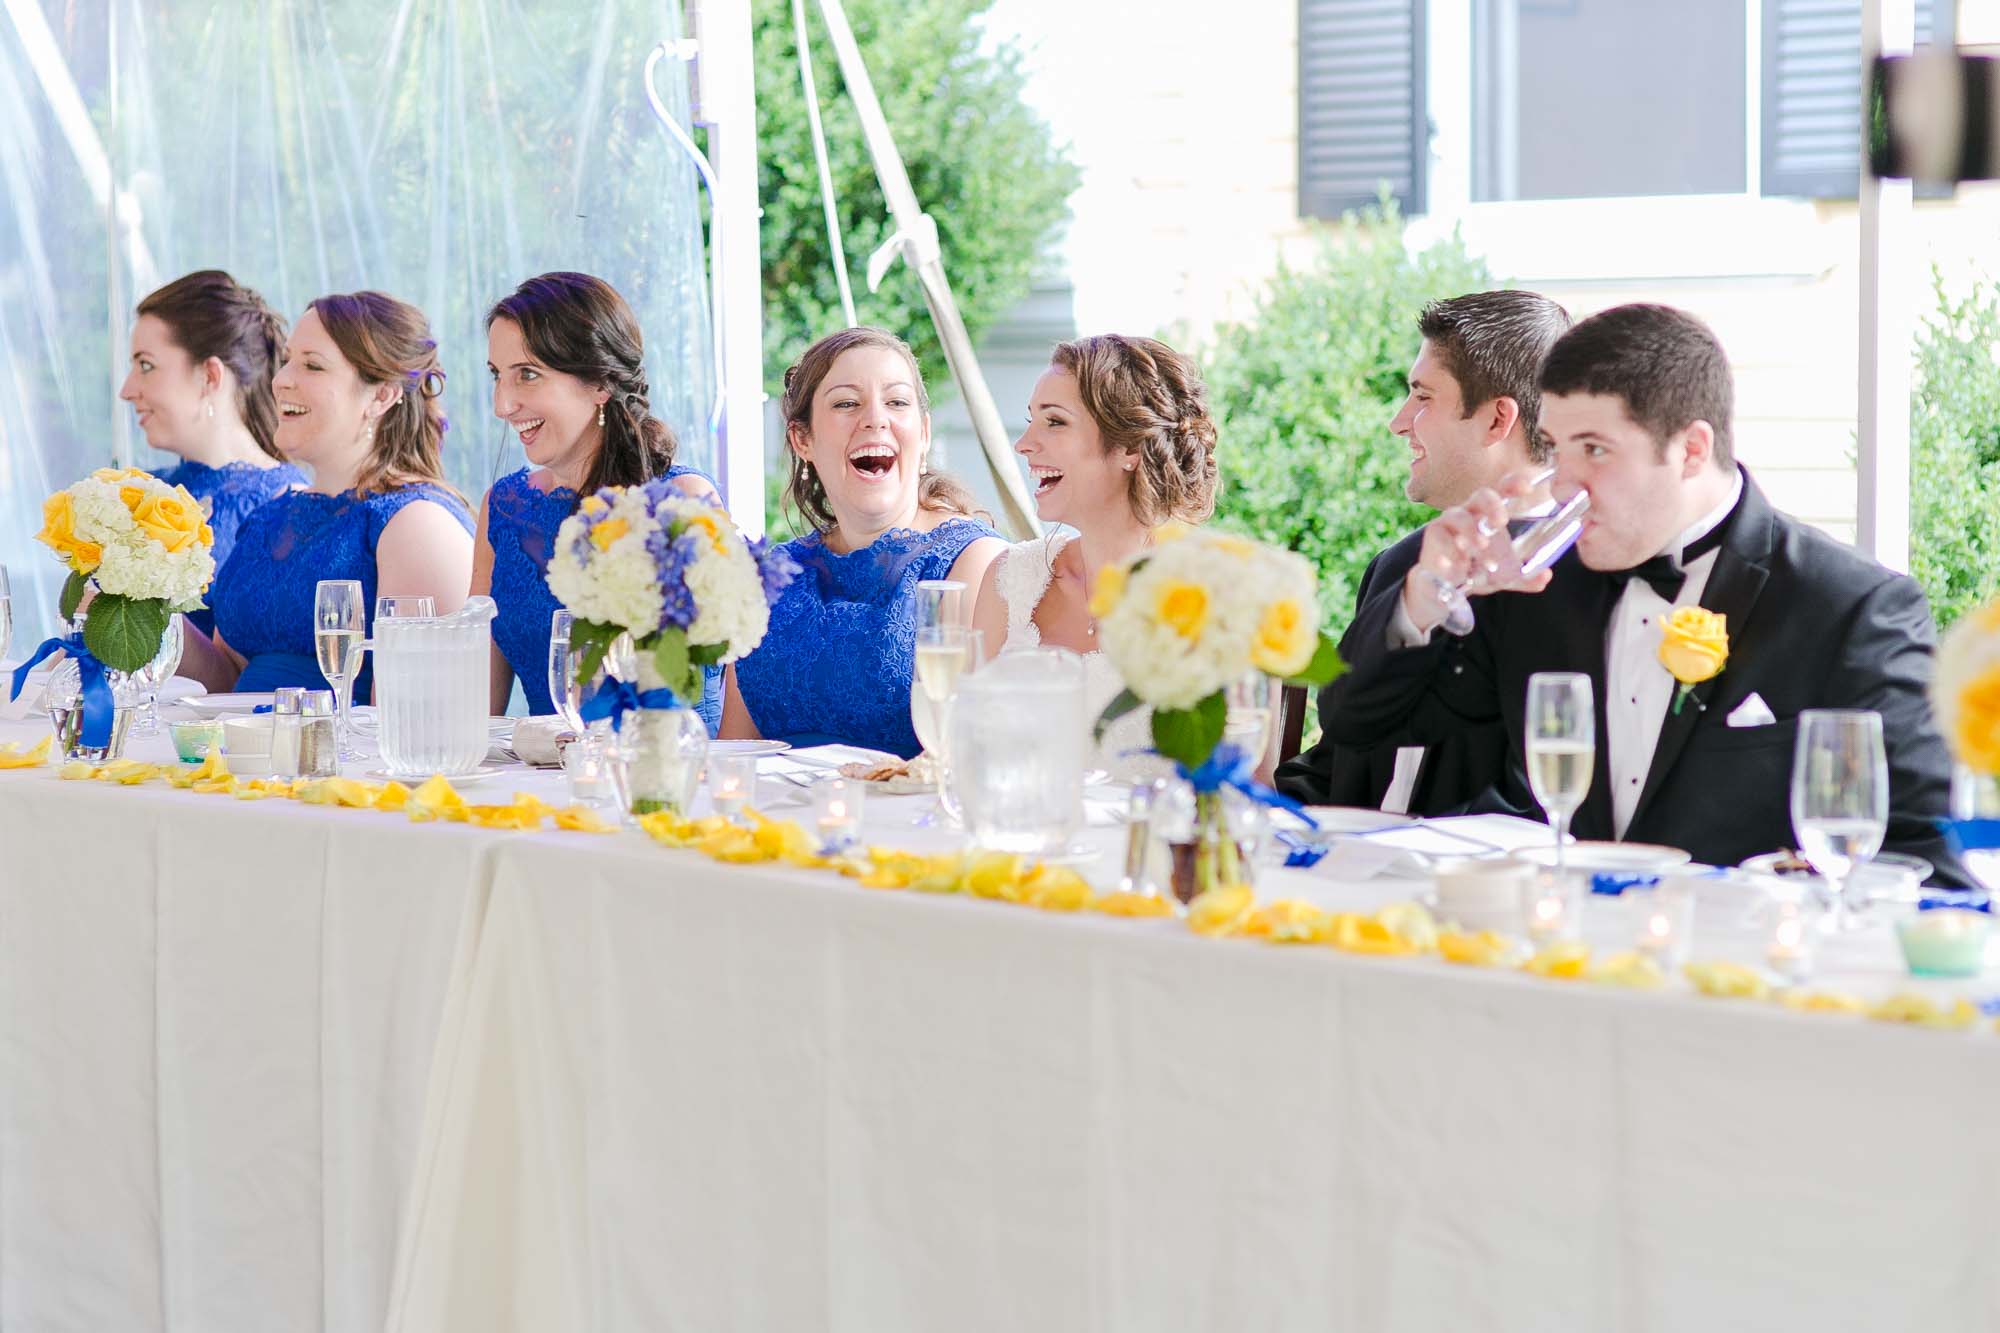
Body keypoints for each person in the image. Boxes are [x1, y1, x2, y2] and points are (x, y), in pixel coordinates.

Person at [1319, 302, 1967, 881]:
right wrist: (1429, 594)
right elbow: (1356, 723)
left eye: (1596, 450)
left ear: (1690, 450)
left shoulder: (1853, 609)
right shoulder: (1537, 582)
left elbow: (1925, 864)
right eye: (1556, 447)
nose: (1566, 484)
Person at [1277, 290, 1571, 812]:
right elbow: (1337, 763)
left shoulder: (1580, 580)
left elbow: (1543, 798)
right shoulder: (1396, 566)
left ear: (1497, 420)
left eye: (1423, 396)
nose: (1398, 421)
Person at [722, 327, 1005, 757]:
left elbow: (976, 756)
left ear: (924, 434)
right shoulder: (768, 579)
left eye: (896, 402)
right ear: (803, 439)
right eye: (847, 404)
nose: (875, 418)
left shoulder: (974, 564)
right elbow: (733, 752)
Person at [181, 291, 474, 699]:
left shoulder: (417, 525)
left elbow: (413, 723)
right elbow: (229, 678)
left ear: (381, 395)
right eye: (287, 360)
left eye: (313, 366)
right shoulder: (270, 516)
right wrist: (154, 615)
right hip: (243, 757)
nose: (281, 380)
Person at [472, 272, 722, 727]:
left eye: (527, 375)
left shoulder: (680, 504)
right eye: (497, 376)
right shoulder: (503, 509)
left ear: (601, 382)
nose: (502, 404)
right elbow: (475, 710)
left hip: (662, 779)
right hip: (538, 785)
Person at [970, 334, 1217, 770]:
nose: (1023, 443)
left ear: (1131, 448)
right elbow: (965, 752)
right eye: (1031, 421)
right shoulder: (1010, 580)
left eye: (1055, 422)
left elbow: (1242, 788)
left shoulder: (1218, 599)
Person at [120, 270, 305, 634]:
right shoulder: (139, 492)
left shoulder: (287, 505)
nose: (127, 390)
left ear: (210, 376)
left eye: (146, 365)